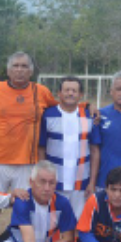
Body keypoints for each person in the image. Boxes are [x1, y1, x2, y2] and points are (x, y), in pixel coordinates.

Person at [0, 52, 59, 242]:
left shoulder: (41, 91)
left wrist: (87, 108)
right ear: (8, 70)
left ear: (31, 71)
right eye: (15, 66)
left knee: (24, 213)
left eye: (24, 66)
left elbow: (60, 110)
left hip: (27, 164)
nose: (19, 70)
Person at [38, 75, 97, 220]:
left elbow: (95, 150)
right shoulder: (48, 115)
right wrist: (43, 177)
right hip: (54, 183)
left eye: (74, 91)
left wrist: (92, 182)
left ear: (80, 95)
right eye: (67, 90)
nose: (70, 93)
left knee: (79, 223)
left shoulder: (89, 116)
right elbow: (41, 149)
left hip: (81, 184)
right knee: (53, 224)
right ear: (59, 93)